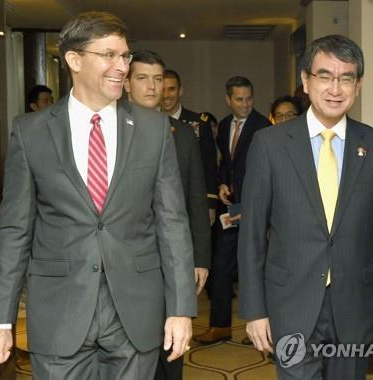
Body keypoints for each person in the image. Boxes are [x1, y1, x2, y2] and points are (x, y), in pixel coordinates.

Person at [0, 12, 196, 380]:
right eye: (109, 55)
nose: (121, 67)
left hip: (135, 315)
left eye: (125, 56)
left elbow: (172, 222)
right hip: (59, 314)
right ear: (74, 60)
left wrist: (180, 309)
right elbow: (15, 230)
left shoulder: (153, 129)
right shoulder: (31, 133)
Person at [238, 34, 373, 380]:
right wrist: (254, 310)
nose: (335, 89)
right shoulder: (270, 145)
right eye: (325, 76)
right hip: (290, 305)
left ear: (359, 85)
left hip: (353, 308)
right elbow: (251, 234)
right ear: (306, 81)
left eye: (346, 78)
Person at [123, 49, 211, 380]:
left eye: (158, 80)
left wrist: (200, 257)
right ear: (127, 83)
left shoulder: (183, 134)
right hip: (128, 260)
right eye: (142, 78)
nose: (151, 87)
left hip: (172, 259)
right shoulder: (112, 130)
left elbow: (195, 198)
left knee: (171, 348)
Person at [195, 76, 270, 345]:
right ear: (228, 100)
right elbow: (227, 163)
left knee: (258, 267)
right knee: (221, 264)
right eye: (239, 99)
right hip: (232, 208)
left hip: (257, 207)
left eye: (249, 98)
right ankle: (220, 326)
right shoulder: (225, 125)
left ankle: (263, 326)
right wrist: (223, 183)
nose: (246, 104)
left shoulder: (264, 126)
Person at [161, 69, 218, 225]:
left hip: (192, 198)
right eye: (162, 89)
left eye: (171, 89)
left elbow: (209, 165)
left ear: (180, 91)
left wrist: (210, 203)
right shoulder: (149, 121)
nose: (166, 95)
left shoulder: (199, 122)